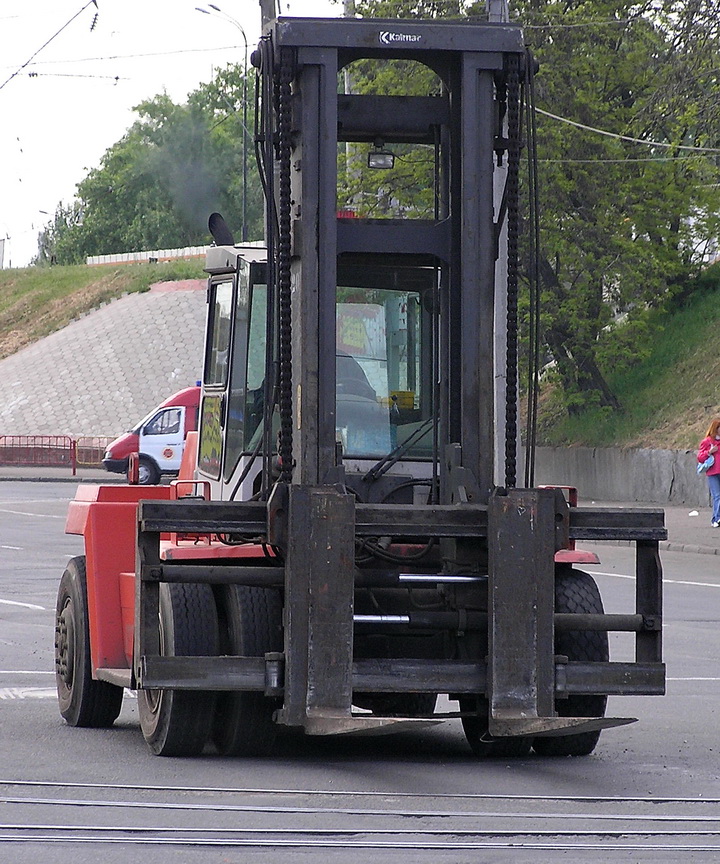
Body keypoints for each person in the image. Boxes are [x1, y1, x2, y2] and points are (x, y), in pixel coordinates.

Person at [697, 418, 720, 527]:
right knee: (717, 496)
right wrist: (709, 452)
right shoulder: (707, 441)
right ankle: (716, 519)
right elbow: (700, 458)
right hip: (713, 473)